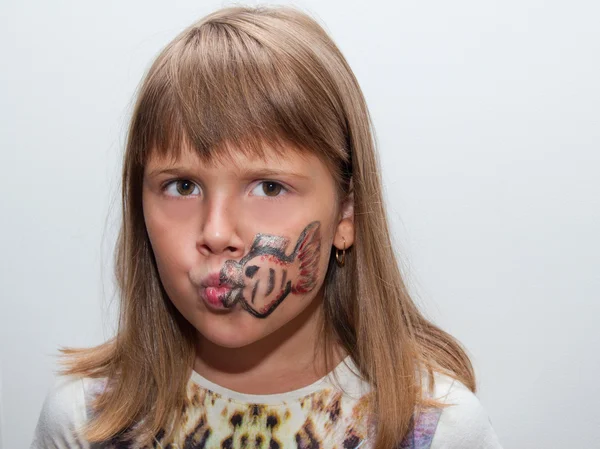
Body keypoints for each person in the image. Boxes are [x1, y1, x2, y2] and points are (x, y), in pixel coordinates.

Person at [30, 5, 503, 449]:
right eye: (182, 187)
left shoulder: (433, 429)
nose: (216, 233)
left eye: (270, 188)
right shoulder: (86, 421)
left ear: (346, 217)